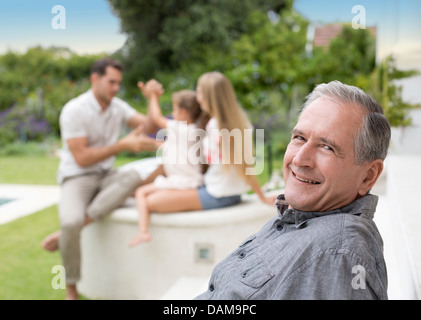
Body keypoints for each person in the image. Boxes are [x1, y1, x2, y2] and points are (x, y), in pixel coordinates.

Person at [195, 80, 391, 300]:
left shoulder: (338, 253)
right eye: (299, 138)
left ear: (369, 175)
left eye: (327, 147)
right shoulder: (302, 219)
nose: (299, 159)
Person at [41, 58, 161, 300]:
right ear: (94, 79)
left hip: (106, 175)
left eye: (118, 83)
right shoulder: (74, 110)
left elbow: (149, 125)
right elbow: (82, 157)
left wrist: (152, 99)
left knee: (134, 176)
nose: (116, 88)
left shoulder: (118, 107)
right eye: (111, 82)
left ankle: (66, 234)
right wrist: (121, 145)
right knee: (70, 220)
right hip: (77, 176)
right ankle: (71, 288)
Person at [135, 72, 277, 215]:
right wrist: (261, 196)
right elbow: (246, 164)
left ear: (209, 97)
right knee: (150, 195)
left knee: (151, 201)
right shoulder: (238, 121)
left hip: (217, 194)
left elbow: (243, 164)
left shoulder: (217, 126)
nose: (198, 98)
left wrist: (262, 197)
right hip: (228, 192)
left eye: (199, 92)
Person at [128, 82, 206, 246]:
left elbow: (156, 118)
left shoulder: (183, 129)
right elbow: (170, 148)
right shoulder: (189, 131)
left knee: (141, 193)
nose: (172, 113)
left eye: (175, 109)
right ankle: (143, 230)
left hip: (182, 181)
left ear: (184, 113)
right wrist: (150, 142)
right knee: (143, 192)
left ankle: (143, 232)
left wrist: (153, 97)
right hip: (186, 179)